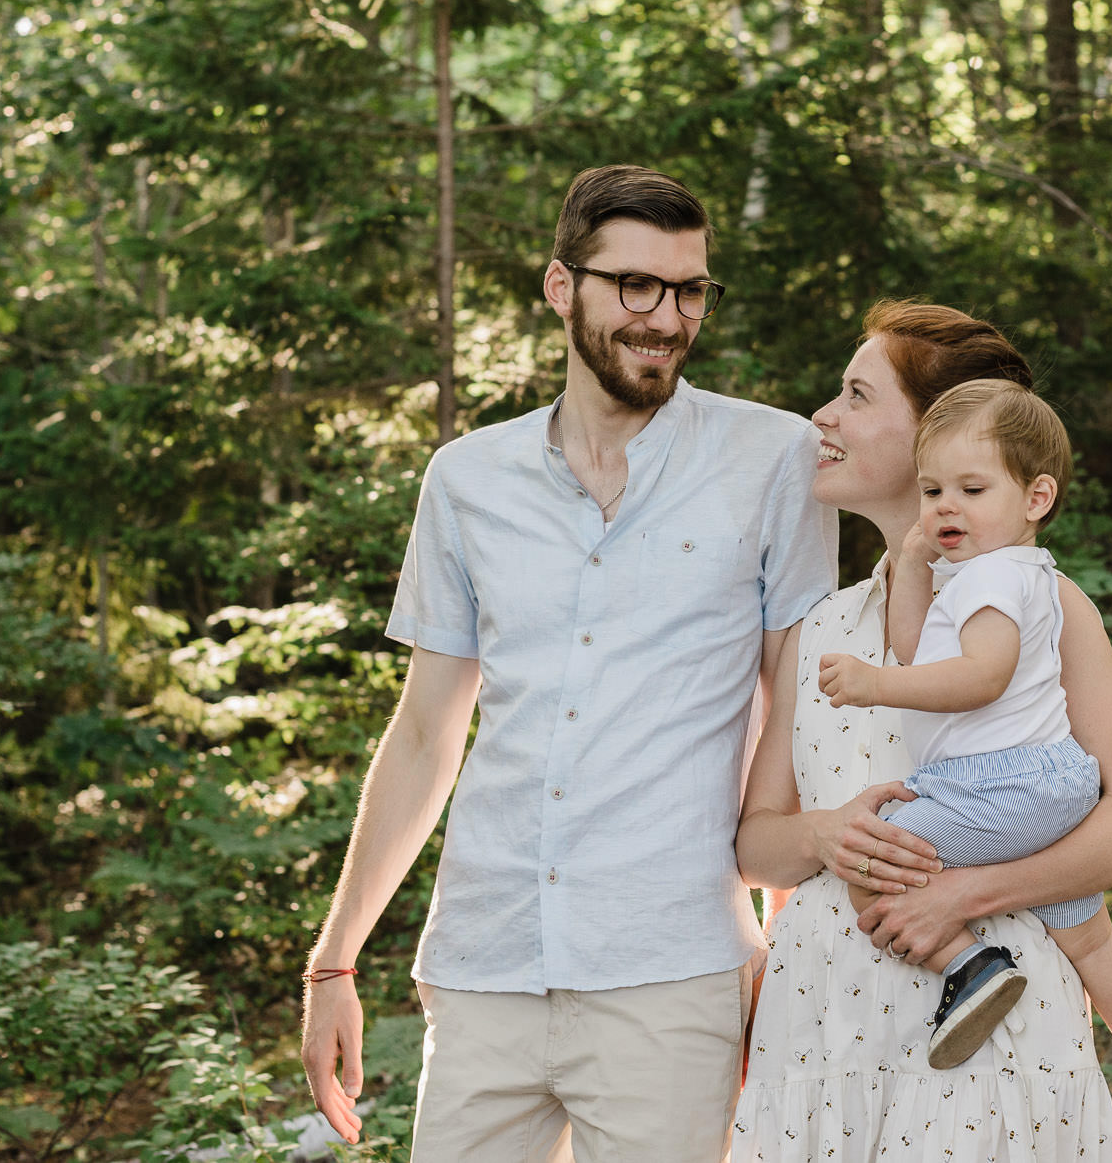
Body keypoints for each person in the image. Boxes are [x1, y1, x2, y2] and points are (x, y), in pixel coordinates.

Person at [298, 165, 837, 1163]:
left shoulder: (777, 460)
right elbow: (423, 734)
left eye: (688, 291)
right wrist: (334, 961)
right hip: (483, 963)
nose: (666, 318)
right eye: (636, 285)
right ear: (560, 286)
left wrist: (790, 948)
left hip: (671, 970)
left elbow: (796, 719)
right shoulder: (466, 480)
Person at [734, 301, 1112, 1162]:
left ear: (936, 430)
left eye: (857, 397)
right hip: (826, 1029)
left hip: (994, 1038)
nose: (823, 417)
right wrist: (829, 836)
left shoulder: (1045, 606)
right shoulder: (819, 628)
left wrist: (967, 897)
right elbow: (756, 847)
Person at [815, 378, 1112, 1135]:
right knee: (1086, 931)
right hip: (1044, 787)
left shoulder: (992, 577)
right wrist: (918, 562)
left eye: (971, 488)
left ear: (1037, 496)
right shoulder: (1024, 574)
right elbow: (922, 640)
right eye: (932, 490)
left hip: (998, 783)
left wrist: (874, 684)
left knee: (869, 857)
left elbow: (975, 675)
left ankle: (971, 964)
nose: (945, 506)